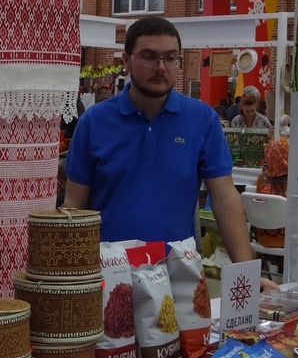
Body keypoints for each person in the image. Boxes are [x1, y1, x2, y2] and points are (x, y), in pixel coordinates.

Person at [63, 17, 273, 287]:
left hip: (178, 278)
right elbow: (74, 207)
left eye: (170, 58)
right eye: (149, 57)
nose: (161, 67)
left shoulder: (201, 120)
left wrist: (247, 273)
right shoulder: (94, 122)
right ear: (126, 61)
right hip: (109, 277)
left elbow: (224, 198)